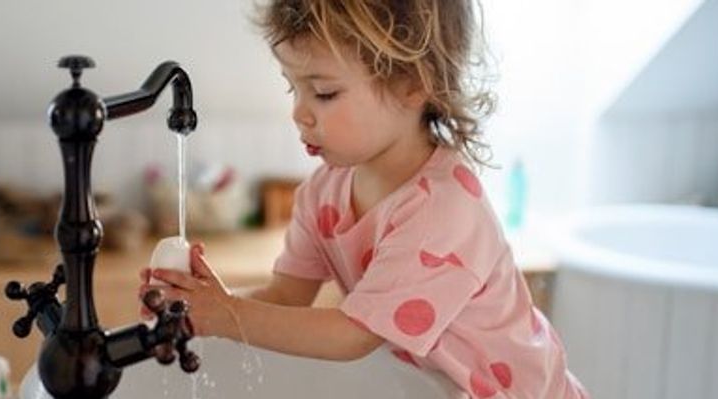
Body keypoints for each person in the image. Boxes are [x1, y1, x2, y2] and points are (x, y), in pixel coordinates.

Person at [139, 1, 587, 397]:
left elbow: (353, 334)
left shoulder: (444, 209)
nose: (299, 111)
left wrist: (227, 314)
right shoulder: (323, 193)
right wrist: (201, 303)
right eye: (291, 87)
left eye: (325, 92)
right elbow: (286, 297)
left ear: (413, 84)